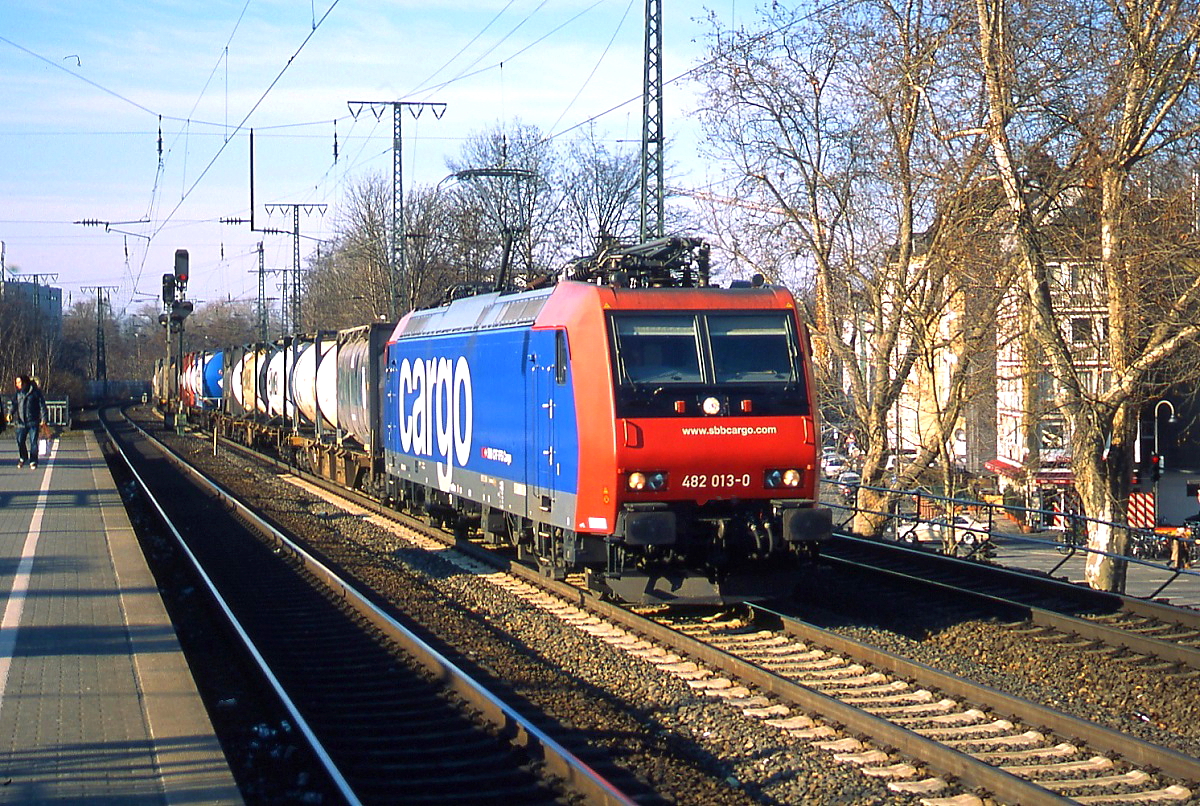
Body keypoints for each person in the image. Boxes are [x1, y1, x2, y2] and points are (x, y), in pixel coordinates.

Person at [9, 375, 49, 470]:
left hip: (33, 422)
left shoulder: (35, 392)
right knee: (20, 440)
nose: (17, 384)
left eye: (19, 382)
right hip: (21, 422)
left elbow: (42, 405)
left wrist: (44, 419)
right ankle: (23, 456)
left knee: (33, 442)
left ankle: (33, 460)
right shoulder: (18, 393)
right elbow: (14, 404)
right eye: (16, 382)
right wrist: (10, 413)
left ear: (24, 383)